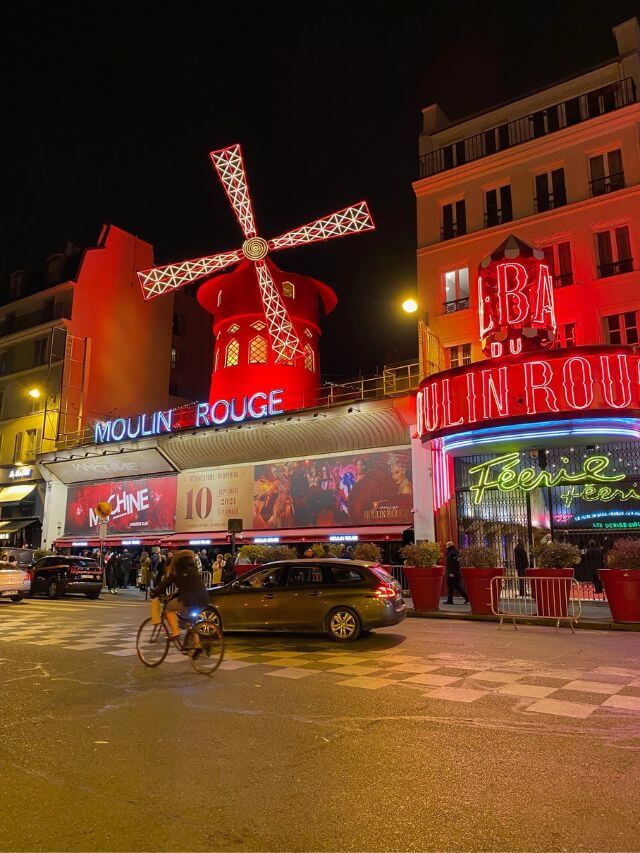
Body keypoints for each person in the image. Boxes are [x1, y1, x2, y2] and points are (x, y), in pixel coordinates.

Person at [150, 550, 210, 641]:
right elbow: (187, 586)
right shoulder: (193, 568)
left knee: (169, 609)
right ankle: (198, 646)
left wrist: (154, 592)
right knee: (191, 624)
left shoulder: (177, 570)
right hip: (203, 597)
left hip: (190, 598)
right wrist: (174, 596)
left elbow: (165, 584)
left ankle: (175, 632)